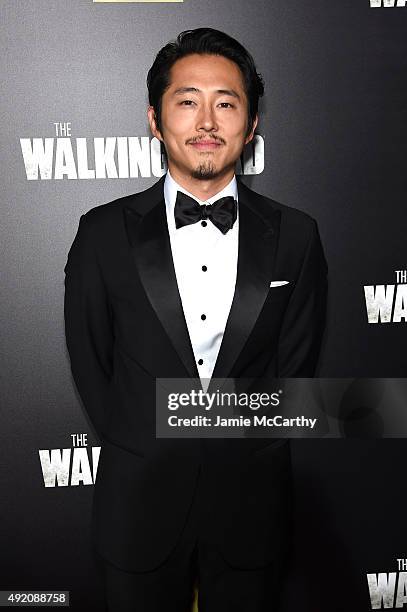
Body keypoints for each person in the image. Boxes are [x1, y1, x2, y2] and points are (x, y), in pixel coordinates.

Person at [64, 27, 328, 612]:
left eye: (226, 103)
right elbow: (93, 363)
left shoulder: (297, 237)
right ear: (156, 121)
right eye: (187, 101)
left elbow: (294, 374)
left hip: (252, 511)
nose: (207, 121)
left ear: (251, 124)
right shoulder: (102, 234)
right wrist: (149, 446)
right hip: (137, 509)